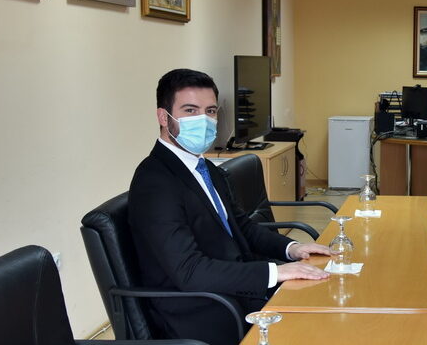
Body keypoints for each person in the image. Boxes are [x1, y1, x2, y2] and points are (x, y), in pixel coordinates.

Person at [128, 69, 331, 345]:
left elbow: (242, 227)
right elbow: (189, 271)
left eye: (210, 111)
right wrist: (275, 272)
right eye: (190, 110)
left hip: (235, 290)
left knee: (328, 298)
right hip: (203, 310)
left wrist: (291, 249)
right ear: (164, 118)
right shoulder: (154, 182)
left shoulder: (206, 168)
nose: (204, 120)